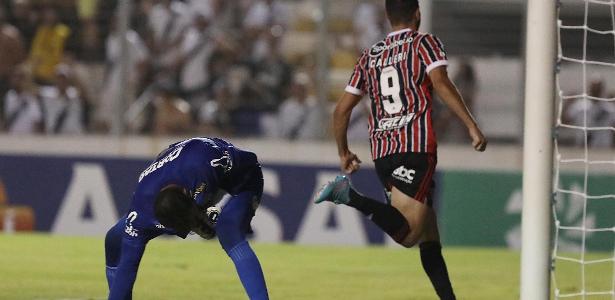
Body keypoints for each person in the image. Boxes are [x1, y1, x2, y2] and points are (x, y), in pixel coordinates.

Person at [314, 1, 487, 299]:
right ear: (417, 14)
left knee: (429, 234)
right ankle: (349, 195)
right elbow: (441, 83)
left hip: (382, 151)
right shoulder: (425, 44)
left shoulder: (369, 56)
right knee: (408, 234)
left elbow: (340, 111)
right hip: (414, 146)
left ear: (387, 17)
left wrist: (343, 152)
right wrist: (470, 124)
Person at [105, 137, 269, 300]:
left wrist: (214, 213)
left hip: (242, 180)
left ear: (187, 193)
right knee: (114, 239)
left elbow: (248, 161)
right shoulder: (141, 211)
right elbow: (128, 266)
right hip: (196, 187)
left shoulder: (203, 162)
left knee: (229, 231)